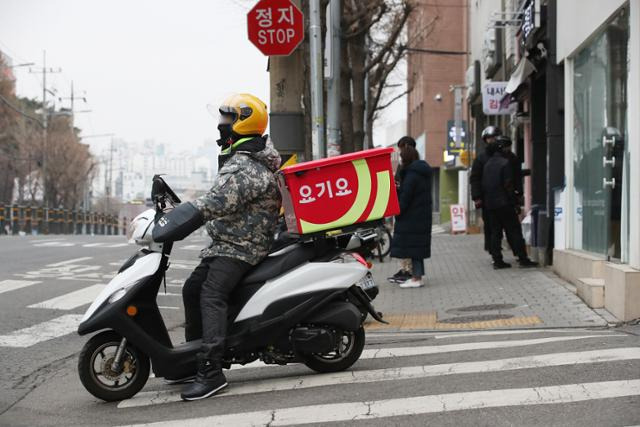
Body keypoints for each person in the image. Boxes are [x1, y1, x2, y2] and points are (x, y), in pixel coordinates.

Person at [153, 93, 282, 400]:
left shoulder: (247, 168)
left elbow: (214, 202)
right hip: (226, 244)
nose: (221, 126)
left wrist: (179, 219)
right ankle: (193, 359)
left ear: (242, 123)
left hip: (243, 246)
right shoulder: (243, 158)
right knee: (191, 288)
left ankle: (211, 371)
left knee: (211, 293)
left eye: (227, 119)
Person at [481, 138, 537, 269]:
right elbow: (508, 185)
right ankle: (523, 258)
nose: (509, 150)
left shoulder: (488, 164)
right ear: (502, 149)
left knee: (495, 232)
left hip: (490, 204)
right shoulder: (505, 163)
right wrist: (515, 203)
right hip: (504, 203)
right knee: (514, 231)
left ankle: (497, 260)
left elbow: (485, 184)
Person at [390, 145, 433, 288]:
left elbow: (405, 198)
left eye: (402, 158)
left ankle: (416, 278)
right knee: (417, 249)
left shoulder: (411, 176)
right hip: (421, 216)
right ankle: (417, 276)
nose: (400, 161)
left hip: (411, 217)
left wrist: (398, 209)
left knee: (414, 249)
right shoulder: (421, 173)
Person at [388, 136, 417, 284]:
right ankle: (404, 268)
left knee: (407, 242)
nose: (399, 152)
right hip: (402, 208)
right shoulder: (404, 165)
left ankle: (409, 270)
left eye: (400, 148)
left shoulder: (411, 167)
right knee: (401, 241)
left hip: (406, 210)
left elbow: (407, 189)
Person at [470, 125, 502, 253]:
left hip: (503, 196)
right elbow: (475, 178)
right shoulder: (481, 158)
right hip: (487, 197)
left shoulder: (505, 155)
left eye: (494, 137)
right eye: (489, 138)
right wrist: (477, 197)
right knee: (489, 224)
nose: (492, 140)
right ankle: (492, 247)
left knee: (505, 225)